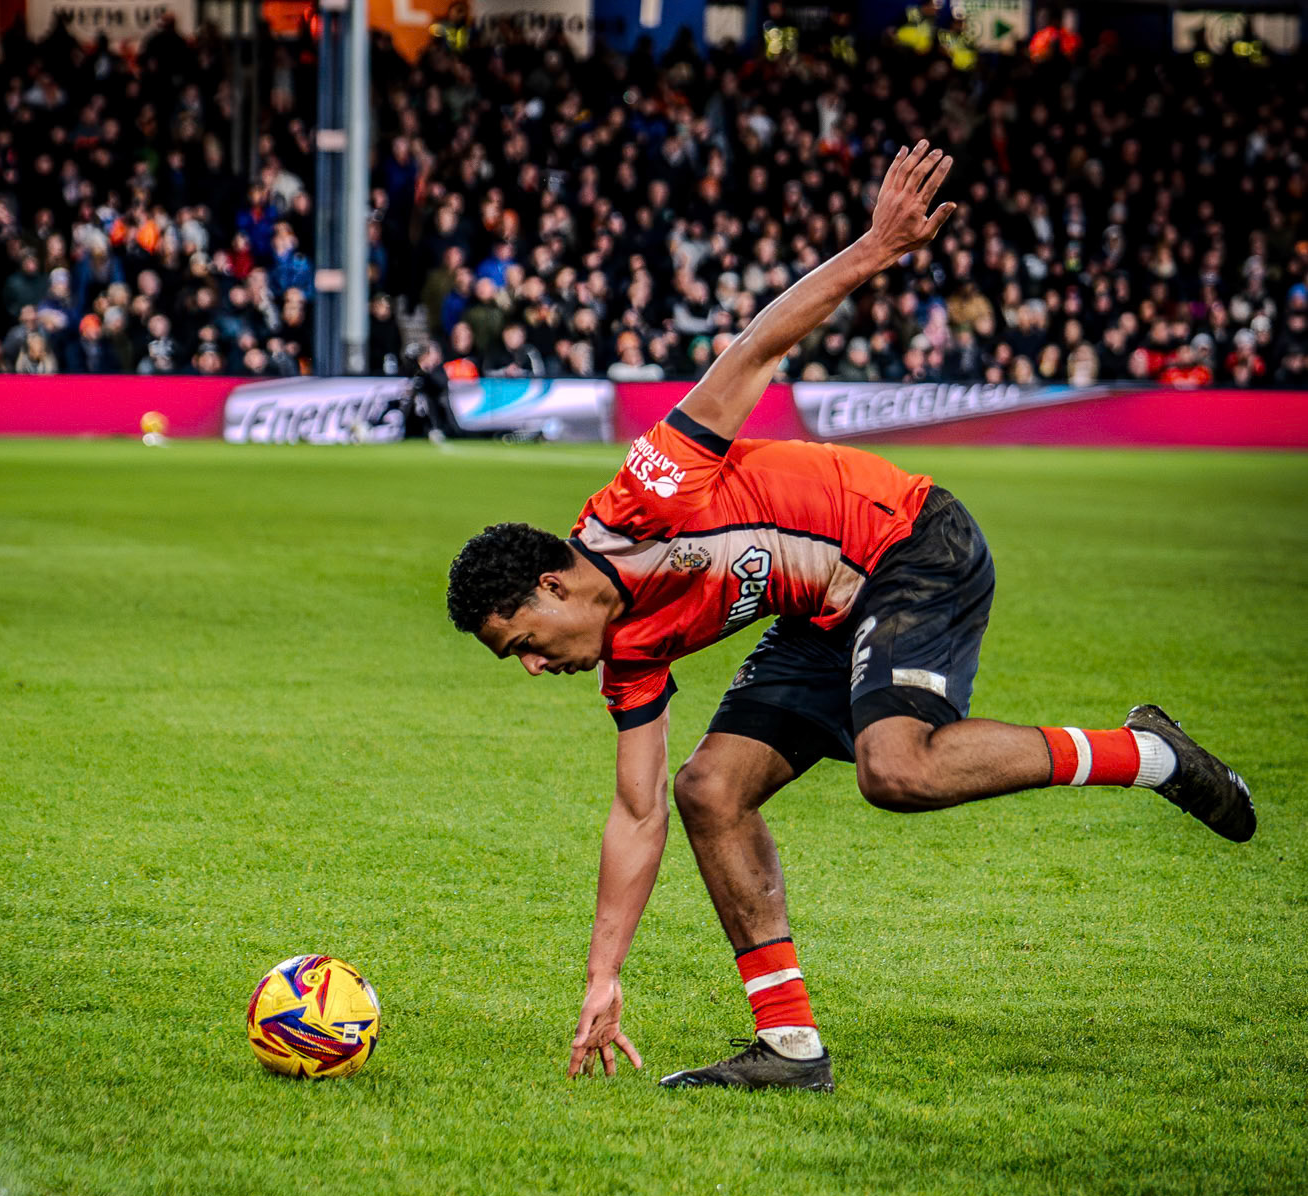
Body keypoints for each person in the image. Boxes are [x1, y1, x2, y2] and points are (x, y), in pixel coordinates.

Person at [445, 142, 1256, 1093]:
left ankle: (1147, 753)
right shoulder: (626, 655)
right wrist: (602, 978)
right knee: (708, 791)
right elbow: (637, 813)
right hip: (823, 610)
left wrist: (876, 247)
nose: (537, 669)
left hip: (910, 542)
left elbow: (753, 349)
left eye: (526, 649)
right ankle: (790, 1048)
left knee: (896, 767)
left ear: (549, 588)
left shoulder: (643, 494)